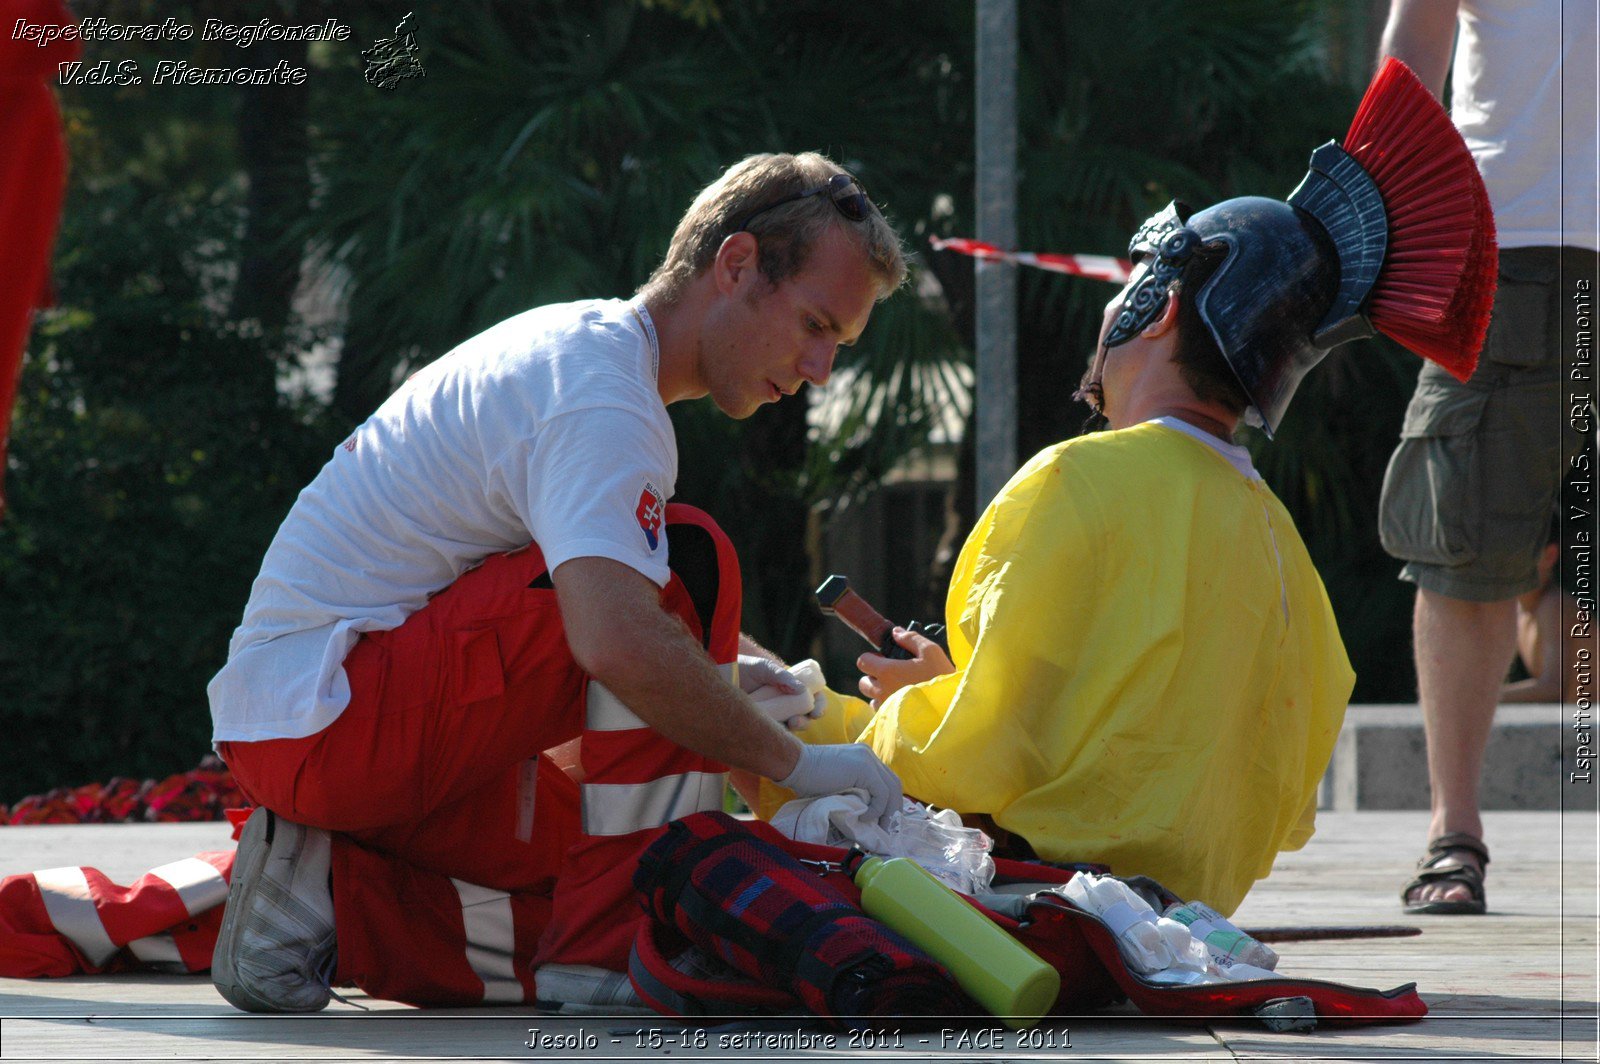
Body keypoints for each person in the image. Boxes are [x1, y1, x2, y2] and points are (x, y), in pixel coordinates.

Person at [752, 60, 1497, 918]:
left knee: (752, 706)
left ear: (1163, 304)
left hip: (1030, 895)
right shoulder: (1285, 547)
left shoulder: (1072, 480)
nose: (1109, 310)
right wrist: (956, 688)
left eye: (1127, 282)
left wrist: (920, 707)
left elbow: (973, 758)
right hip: (1187, 913)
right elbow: (1283, 811)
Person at [205, 152, 908, 1012]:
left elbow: (606, 592)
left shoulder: (593, 358)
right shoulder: (604, 400)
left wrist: (729, 673)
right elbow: (616, 634)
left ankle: (329, 902)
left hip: (320, 731)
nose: (820, 370)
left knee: (580, 873)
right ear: (736, 266)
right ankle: (611, 955)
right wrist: (795, 763)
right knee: (694, 561)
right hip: (332, 724)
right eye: (816, 326)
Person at [1375, 0, 1598, 916]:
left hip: (1532, 244)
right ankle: (1453, 834)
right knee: (1463, 543)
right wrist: (1382, 220)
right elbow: (1416, 43)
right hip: (1511, 242)